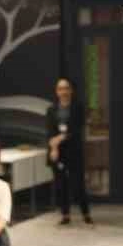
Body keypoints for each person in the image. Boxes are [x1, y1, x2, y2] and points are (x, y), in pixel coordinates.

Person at [45, 76, 92, 226]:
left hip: (74, 150)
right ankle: (65, 215)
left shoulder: (78, 108)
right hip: (58, 152)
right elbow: (50, 131)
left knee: (78, 184)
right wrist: (53, 148)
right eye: (60, 89)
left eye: (66, 88)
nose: (63, 91)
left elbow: (76, 128)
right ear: (56, 91)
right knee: (60, 184)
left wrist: (60, 138)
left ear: (71, 91)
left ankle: (86, 213)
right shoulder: (51, 110)